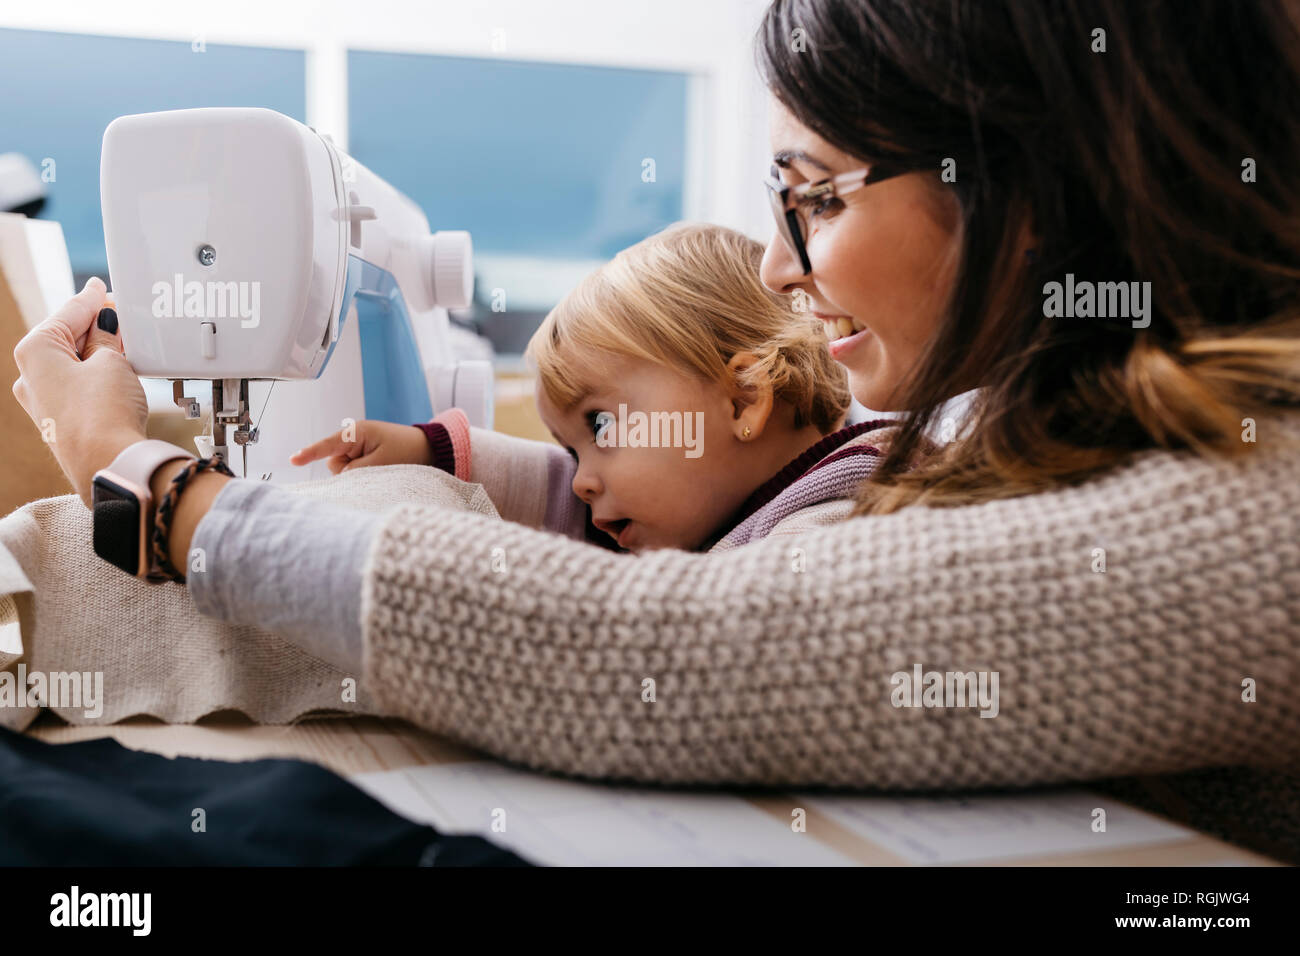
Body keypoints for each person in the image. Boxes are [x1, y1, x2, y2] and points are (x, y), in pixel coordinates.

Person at [11, 0, 1300, 860]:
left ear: (1025, 183)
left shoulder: (1255, 517)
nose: (788, 271)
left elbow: (668, 650)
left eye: (814, 197)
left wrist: (147, 478)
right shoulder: (1040, 430)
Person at [290, 221, 909, 553]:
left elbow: (723, 637)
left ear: (744, 398)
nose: (581, 480)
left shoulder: (838, 516)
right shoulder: (716, 501)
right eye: (572, 449)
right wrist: (433, 455)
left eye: (600, 428)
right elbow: (556, 493)